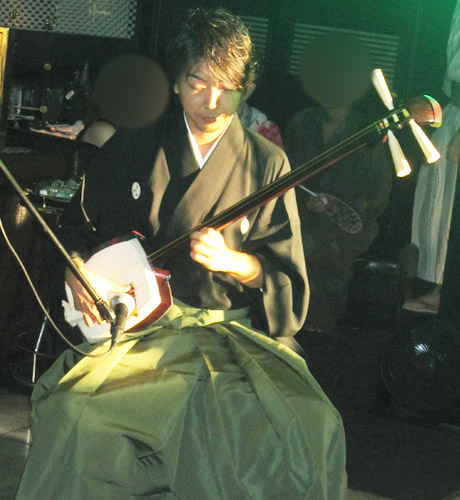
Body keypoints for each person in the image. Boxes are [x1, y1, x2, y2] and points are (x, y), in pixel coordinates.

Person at [15, 8, 347, 500]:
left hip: (232, 334)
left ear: (247, 88)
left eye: (228, 88)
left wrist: (234, 263)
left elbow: (287, 280)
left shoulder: (266, 161)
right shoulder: (135, 145)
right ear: (175, 82)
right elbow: (76, 231)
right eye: (197, 83)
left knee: (310, 426)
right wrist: (77, 271)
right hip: (143, 328)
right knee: (74, 413)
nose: (212, 102)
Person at [284, 34, 393, 332]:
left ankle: (319, 324)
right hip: (300, 211)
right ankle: (285, 318)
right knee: (289, 236)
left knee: (323, 242)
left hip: (350, 223)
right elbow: (283, 172)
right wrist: (305, 201)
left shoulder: (370, 132)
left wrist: (334, 204)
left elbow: (378, 195)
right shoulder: (301, 123)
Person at [403, 0, 460, 314]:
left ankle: (446, 291)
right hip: (453, 107)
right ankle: (438, 285)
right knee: (436, 195)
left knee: (450, 206)